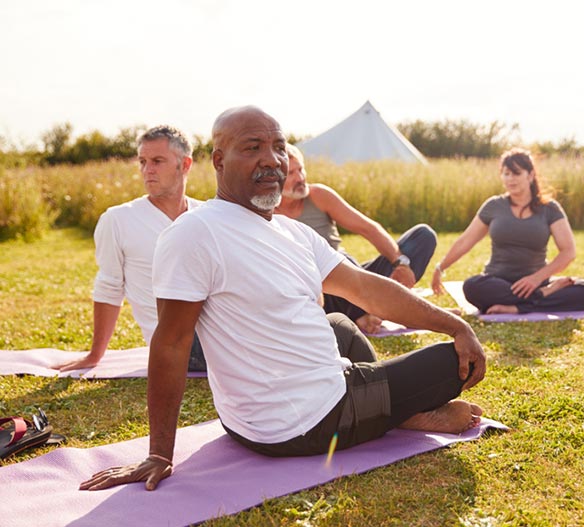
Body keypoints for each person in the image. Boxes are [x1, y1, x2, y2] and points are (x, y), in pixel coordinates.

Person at [79, 105, 486, 492]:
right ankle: (398, 411)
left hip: (257, 419)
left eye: (278, 147)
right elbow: (169, 344)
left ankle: (397, 410)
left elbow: (365, 288)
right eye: (252, 147)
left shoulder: (292, 232)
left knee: (341, 326)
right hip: (303, 424)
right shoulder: (194, 233)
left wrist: (454, 322)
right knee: (450, 362)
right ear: (219, 161)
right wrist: (158, 454)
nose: (272, 159)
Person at [55, 125, 207, 373]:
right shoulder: (118, 219)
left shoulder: (206, 214)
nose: (148, 170)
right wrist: (94, 355)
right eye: (143, 162)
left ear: (186, 165)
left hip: (223, 330)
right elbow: (109, 287)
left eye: (158, 161)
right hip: (182, 346)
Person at [275, 144, 437, 334]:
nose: (300, 178)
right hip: (319, 291)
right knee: (328, 265)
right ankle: (372, 311)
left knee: (423, 236)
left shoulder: (319, 195)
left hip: (353, 278)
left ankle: (369, 312)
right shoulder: (268, 213)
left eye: (301, 169)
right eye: (291, 173)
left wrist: (400, 263)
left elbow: (368, 228)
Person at [431, 148, 584, 315]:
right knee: (472, 286)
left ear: (531, 175)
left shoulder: (549, 208)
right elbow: (465, 241)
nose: (510, 179)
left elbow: (568, 252)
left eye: (516, 173)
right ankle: (541, 297)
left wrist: (536, 279)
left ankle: (518, 306)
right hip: (498, 282)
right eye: (506, 174)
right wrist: (440, 267)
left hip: (537, 281)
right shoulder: (493, 206)